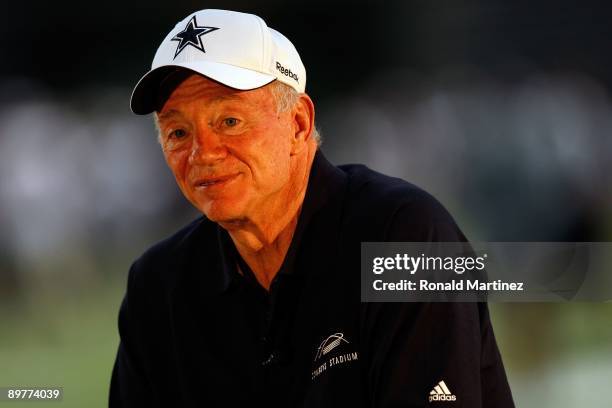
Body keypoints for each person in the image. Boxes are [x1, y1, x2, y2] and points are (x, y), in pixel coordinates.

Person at [109, 9, 514, 408]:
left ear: (299, 123)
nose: (203, 153)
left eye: (229, 121)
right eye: (178, 132)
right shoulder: (157, 288)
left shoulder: (407, 237)